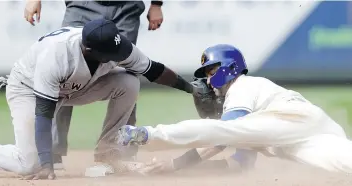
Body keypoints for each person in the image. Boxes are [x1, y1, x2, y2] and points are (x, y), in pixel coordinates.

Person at [0, 18, 207, 180]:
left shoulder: (117, 45)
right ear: (88, 49)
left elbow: (153, 70)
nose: (117, 56)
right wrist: (46, 161)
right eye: (110, 55)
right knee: (30, 164)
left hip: (75, 87)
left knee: (129, 81)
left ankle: (109, 153)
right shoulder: (56, 55)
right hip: (28, 91)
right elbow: (44, 111)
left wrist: (189, 88)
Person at [118, 44, 352, 174]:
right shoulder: (256, 129)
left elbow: (224, 135)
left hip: (292, 118)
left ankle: (147, 134)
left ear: (229, 68)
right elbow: (241, 164)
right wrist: (192, 172)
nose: (208, 81)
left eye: (210, 72)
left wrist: (176, 164)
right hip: (307, 135)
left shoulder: (243, 86)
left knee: (221, 129)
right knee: (343, 162)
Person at [23, 0, 164, 169]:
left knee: (127, 72)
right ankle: (51, 151)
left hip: (126, 6)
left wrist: (156, 4)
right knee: (65, 68)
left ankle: (120, 149)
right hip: (81, 4)